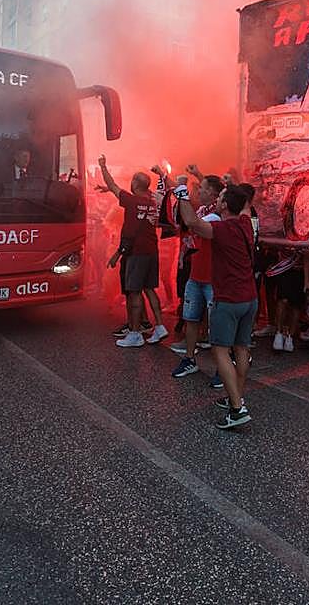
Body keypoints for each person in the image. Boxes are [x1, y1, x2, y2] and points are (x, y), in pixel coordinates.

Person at [176, 182, 258, 430]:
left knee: (220, 350)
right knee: (241, 348)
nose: (218, 199)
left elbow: (191, 221)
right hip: (249, 298)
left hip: (228, 299)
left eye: (221, 197)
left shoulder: (222, 229)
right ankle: (237, 396)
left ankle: (236, 409)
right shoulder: (246, 222)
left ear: (224, 205)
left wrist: (181, 191)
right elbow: (244, 201)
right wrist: (232, 189)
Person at [98, 155, 166, 347]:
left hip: (136, 253)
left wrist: (103, 166)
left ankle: (135, 333)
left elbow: (112, 184)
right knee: (149, 288)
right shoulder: (153, 200)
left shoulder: (131, 201)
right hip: (152, 251)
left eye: (132, 179)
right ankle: (160, 326)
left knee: (134, 292)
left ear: (135, 183)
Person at [170, 175, 223, 378]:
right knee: (190, 318)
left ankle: (223, 366)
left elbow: (191, 221)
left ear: (212, 194)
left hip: (212, 278)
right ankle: (190, 359)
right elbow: (185, 220)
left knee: (216, 323)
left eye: (201, 188)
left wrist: (182, 188)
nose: (198, 191)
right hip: (196, 275)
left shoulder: (217, 215)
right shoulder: (201, 210)